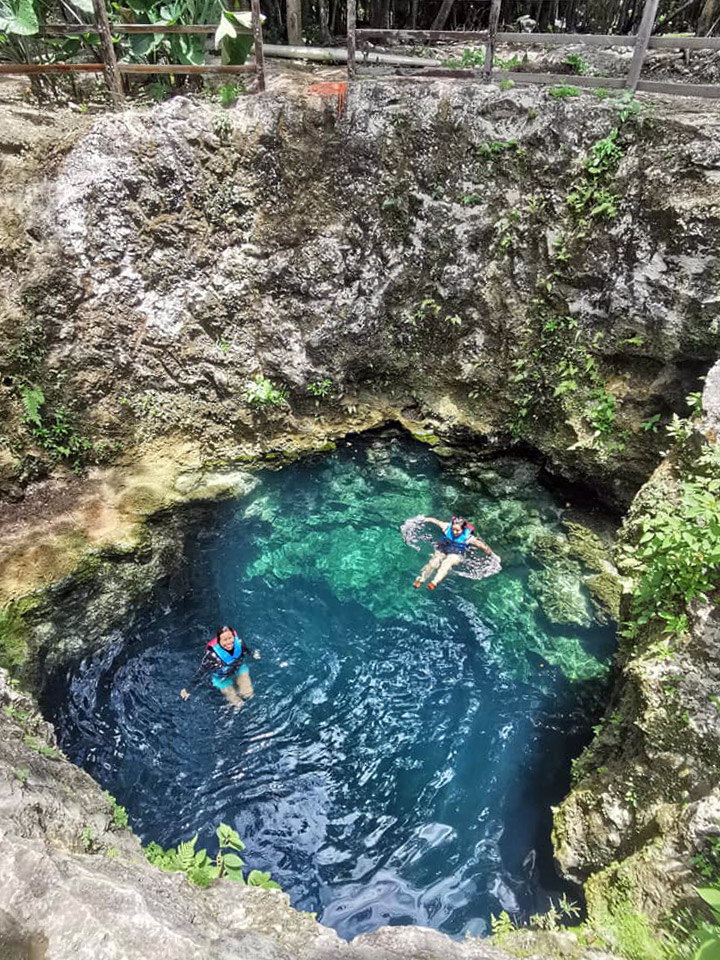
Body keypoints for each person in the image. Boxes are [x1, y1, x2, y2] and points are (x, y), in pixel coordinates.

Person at [180, 625, 260, 707]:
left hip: (239, 669)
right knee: (239, 704)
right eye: (225, 640)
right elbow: (200, 672)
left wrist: (254, 653)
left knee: (249, 694)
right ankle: (229, 708)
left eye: (230, 638)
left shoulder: (240, 643)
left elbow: (248, 650)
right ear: (219, 641)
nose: (229, 642)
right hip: (222, 678)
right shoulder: (212, 656)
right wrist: (188, 690)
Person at [413, 516, 493, 591]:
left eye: (457, 530)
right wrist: (424, 519)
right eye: (453, 529)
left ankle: (434, 582)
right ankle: (421, 579)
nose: (454, 532)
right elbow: (435, 521)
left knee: (447, 563)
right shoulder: (447, 527)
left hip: (456, 553)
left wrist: (490, 554)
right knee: (434, 562)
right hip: (443, 548)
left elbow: (481, 545)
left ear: (463, 529)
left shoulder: (468, 538)